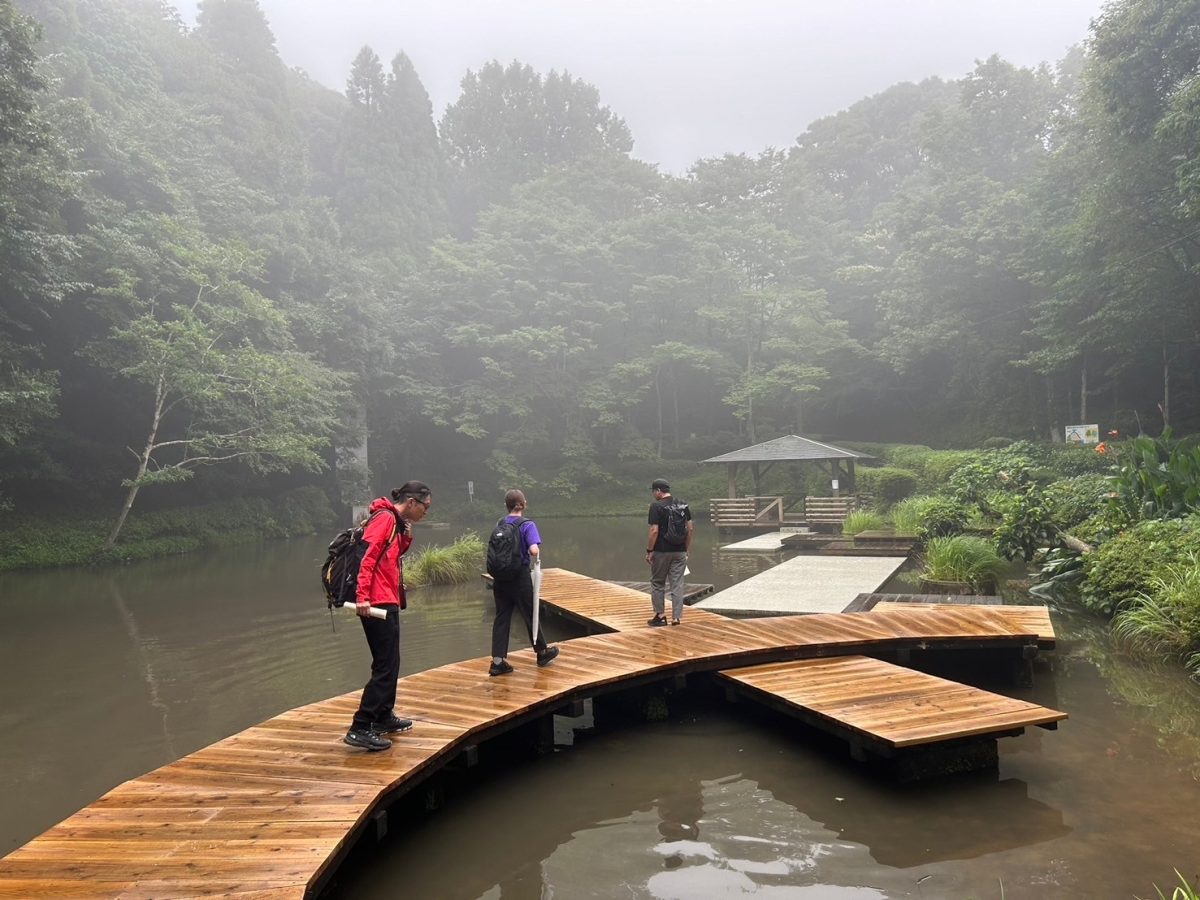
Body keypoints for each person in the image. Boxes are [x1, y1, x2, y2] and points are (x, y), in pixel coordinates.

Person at [344, 481, 432, 752]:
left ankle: (383, 715)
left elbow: (391, 555)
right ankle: (361, 726)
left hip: (387, 597)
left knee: (391, 662)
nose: (427, 512)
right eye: (425, 507)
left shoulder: (395, 521)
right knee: (384, 664)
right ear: (412, 502)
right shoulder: (384, 519)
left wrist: (407, 534)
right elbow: (367, 557)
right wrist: (362, 597)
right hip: (375, 601)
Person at [488, 489, 560, 676]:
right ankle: (542, 652)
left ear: (507, 505)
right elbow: (534, 550)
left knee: (502, 617)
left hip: (500, 577)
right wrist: (532, 550)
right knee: (530, 613)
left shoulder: (500, 523)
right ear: (524, 504)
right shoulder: (527, 524)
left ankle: (497, 662)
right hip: (519, 577)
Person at [645, 478, 693, 626]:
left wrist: (649, 550)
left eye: (654, 491)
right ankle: (676, 618)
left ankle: (660, 616)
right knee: (677, 584)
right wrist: (686, 549)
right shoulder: (683, 504)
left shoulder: (656, 506)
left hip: (661, 551)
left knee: (658, 583)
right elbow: (690, 528)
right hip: (680, 551)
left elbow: (654, 531)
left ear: (658, 491)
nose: (654, 494)